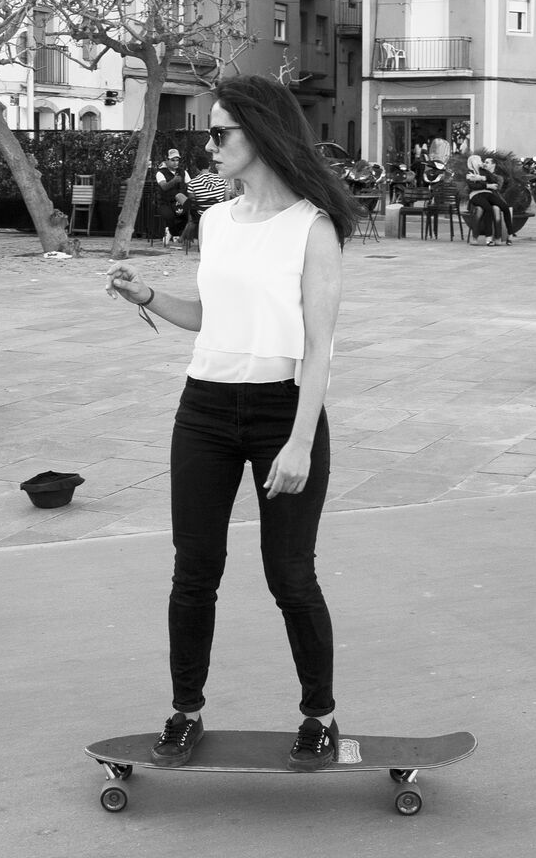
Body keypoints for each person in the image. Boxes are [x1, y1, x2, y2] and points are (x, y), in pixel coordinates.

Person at [102, 75, 363, 773]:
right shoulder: (216, 220)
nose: (209, 145)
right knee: (194, 572)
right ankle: (185, 712)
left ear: (262, 132)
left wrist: (301, 441)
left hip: (283, 411)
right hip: (206, 411)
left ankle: (320, 717)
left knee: (291, 576)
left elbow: (319, 347)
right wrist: (148, 294)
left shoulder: (312, 228)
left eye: (220, 133)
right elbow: (211, 317)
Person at [154, 148, 189, 244]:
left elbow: (190, 185)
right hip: (165, 202)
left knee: (187, 215)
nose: (175, 163)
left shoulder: (183, 172)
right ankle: (173, 233)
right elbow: (164, 186)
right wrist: (174, 181)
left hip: (179, 202)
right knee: (170, 215)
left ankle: (172, 232)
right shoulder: (160, 173)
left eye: (177, 160)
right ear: (167, 160)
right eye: (172, 160)